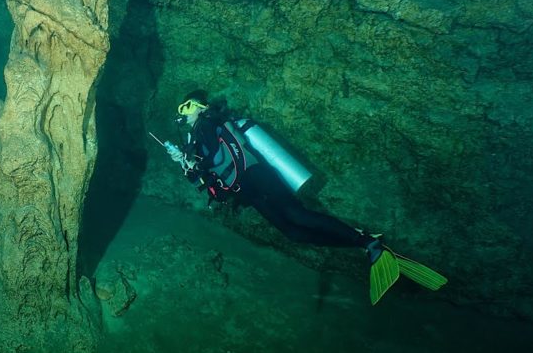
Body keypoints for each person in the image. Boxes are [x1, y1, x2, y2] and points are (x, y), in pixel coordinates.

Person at [166, 90, 447, 304]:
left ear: (199, 107)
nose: (182, 112)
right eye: (182, 108)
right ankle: (363, 243)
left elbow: (213, 153)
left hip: (257, 176)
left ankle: (368, 243)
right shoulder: (196, 138)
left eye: (185, 106)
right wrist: (187, 165)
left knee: (298, 216)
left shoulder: (207, 123)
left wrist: (191, 158)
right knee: (293, 233)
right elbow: (206, 181)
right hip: (248, 191)